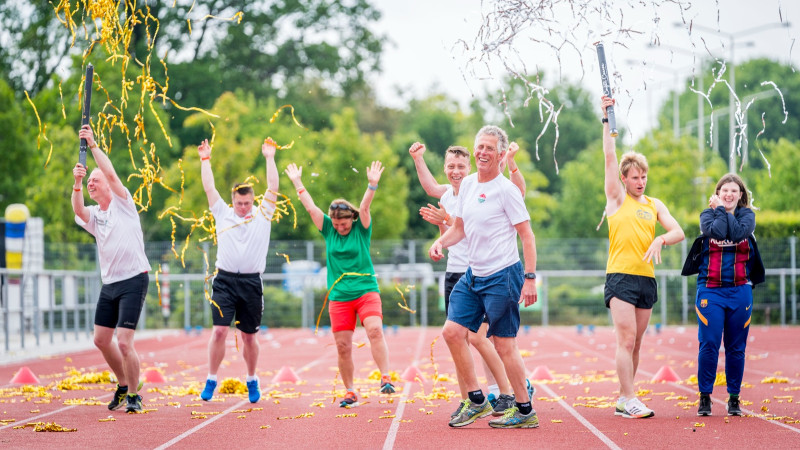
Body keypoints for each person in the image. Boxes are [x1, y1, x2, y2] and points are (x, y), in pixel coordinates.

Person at [409, 141, 532, 418]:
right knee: (456, 338)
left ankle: (509, 392)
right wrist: (418, 159)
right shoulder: (450, 192)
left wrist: (510, 161)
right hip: (456, 272)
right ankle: (471, 399)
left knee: (482, 339)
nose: (456, 171)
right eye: (451, 167)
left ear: (470, 167)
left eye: (461, 167)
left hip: (484, 272)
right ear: (444, 169)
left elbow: (512, 200)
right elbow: (432, 191)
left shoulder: (484, 189)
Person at [600, 96, 685, 419]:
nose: (640, 181)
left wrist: (661, 238)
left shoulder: (654, 204)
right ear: (624, 178)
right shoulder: (617, 198)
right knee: (626, 338)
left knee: (636, 344)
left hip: (646, 279)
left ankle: (627, 397)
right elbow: (609, 156)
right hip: (620, 276)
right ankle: (627, 396)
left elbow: (678, 231)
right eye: (635, 177)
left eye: (643, 177)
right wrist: (606, 118)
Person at [285, 160, 395, 407]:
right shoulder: (328, 229)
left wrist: (372, 185)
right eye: (336, 225)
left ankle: (385, 377)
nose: (340, 228)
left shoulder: (361, 228)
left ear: (351, 219)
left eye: (343, 224)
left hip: (366, 291)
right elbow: (311, 207)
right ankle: (350, 391)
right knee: (343, 346)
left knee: (375, 330)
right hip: (339, 297)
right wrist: (297, 182)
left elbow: (365, 206)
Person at [72, 124, 151, 413]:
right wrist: (77, 184)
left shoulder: (122, 203)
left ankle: (134, 396)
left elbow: (112, 173)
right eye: (89, 181)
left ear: (108, 184)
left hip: (134, 279)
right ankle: (122, 384)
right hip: (111, 283)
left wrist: (93, 145)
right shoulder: (95, 215)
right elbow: (78, 211)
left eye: (95, 179)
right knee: (101, 339)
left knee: (125, 341)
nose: (91, 183)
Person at [197, 137, 279, 404]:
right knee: (219, 331)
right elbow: (209, 188)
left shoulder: (262, 214)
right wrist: (205, 159)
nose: (243, 208)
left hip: (251, 283)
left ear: (252, 201)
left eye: (247, 203)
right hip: (224, 281)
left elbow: (274, 187)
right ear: (233, 201)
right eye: (239, 203)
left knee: (249, 337)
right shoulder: (223, 213)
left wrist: (269, 157)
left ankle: (252, 378)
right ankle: (211, 377)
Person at [681, 173, 764, 417]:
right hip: (711, 291)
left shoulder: (748, 216)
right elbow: (717, 232)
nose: (728, 194)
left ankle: (734, 398)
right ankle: (705, 396)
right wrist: (719, 211)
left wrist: (725, 212)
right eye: (724, 190)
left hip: (740, 291)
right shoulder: (707, 215)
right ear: (717, 194)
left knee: (736, 348)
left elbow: (738, 234)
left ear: (741, 196)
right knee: (709, 344)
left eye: (733, 191)